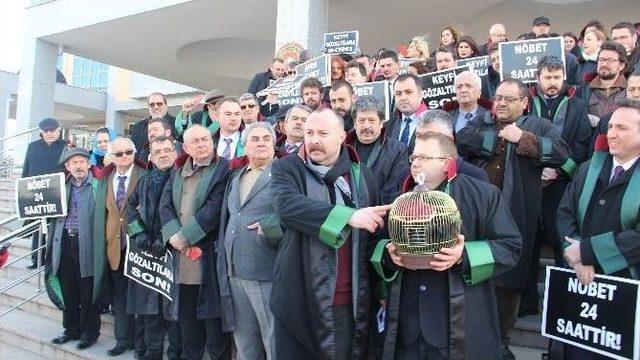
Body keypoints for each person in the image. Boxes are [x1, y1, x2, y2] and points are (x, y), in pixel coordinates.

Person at [372, 133, 521, 360]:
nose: (415, 163)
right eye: (413, 157)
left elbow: (510, 247)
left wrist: (465, 255)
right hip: (406, 326)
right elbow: (376, 244)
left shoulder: (484, 195)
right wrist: (388, 254)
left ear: (447, 163)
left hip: (457, 324)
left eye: (424, 157)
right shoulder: (399, 198)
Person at [457, 79, 569, 360]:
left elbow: (561, 153)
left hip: (516, 214)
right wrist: (499, 138)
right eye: (498, 98)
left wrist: (525, 139)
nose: (502, 103)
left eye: (509, 99)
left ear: (524, 103)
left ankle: (501, 343)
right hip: (477, 217)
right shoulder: (482, 123)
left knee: (509, 280)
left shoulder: (539, 126)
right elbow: (462, 139)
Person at [270, 107, 389, 359]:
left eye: (323, 133)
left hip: (348, 302)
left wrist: (383, 287)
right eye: (309, 132)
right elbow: (287, 207)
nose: (314, 139)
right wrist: (348, 216)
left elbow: (375, 237)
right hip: (299, 300)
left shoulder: (361, 175)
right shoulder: (287, 168)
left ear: (342, 136)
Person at [554, 99, 640, 359]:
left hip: (628, 287)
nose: (611, 133)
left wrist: (587, 252)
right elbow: (565, 214)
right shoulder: (587, 170)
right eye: (610, 126)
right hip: (581, 286)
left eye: (622, 128)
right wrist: (576, 256)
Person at [522, 56, 593, 317]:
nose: (553, 83)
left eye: (557, 77)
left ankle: (563, 303)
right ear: (538, 77)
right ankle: (527, 301)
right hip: (529, 184)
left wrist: (558, 169)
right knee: (527, 244)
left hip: (562, 188)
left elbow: (583, 146)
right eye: (547, 77)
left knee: (564, 244)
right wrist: (538, 168)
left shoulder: (577, 106)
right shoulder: (526, 104)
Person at [159, 124, 232, 360]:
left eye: (205, 139)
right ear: (186, 147)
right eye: (195, 141)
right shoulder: (178, 170)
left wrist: (184, 236)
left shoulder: (223, 168)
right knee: (189, 330)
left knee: (215, 333)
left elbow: (214, 208)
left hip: (209, 259)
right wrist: (173, 235)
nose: (201, 144)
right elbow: (165, 205)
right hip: (183, 263)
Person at [218, 122, 283, 360]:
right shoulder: (236, 176)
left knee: (273, 338)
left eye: (266, 138)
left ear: (275, 145)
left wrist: (270, 227)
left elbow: (296, 212)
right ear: (244, 146)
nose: (261, 142)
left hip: (265, 269)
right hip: (235, 270)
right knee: (244, 339)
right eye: (255, 139)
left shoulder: (283, 172)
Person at [126, 136, 180, 360]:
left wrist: (164, 237)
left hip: (174, 252)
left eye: (167, 150)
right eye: (158, 152)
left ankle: (175, 354)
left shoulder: (182, 177)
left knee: (173, 310)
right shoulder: (145, 179)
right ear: (151, 156)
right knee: (150, 309)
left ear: (176, 152)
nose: (163, 154)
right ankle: (153, 353)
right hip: (147, 252)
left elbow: (186, 212)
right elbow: (129, 206)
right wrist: (137, 232)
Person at [92, 137, 146, 357]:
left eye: (129, 152)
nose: (125, 156)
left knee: (141, 297)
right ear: (111, 157)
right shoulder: (106, 179)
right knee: (120, 297)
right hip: (114, 246)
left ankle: (141, 344)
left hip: (139, 246)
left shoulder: (145, 175)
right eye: (119, 153)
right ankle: (123, 339)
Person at [48, 148, 101, 350]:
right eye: (74, 163)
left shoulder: (98, 186)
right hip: (63, 244)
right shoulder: (59, 187)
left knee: (88, 290)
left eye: (82, 162)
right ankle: (71, 329)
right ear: (68, 167)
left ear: (89, 164)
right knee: (68, 289)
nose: (78, 166)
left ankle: (90, 333)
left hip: (87, 244)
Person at [345, 95, 409, 204]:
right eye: (361, 120)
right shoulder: (342, 150)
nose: (366, 126)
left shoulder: (398, 150)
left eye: (371, 120)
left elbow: (393, 191)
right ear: (355, 123)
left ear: (381, 123)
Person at [22, 117, 67, 269]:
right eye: (46, 131)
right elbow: (26, 171)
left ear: (58, 130)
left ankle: (53, 260)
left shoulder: (66, 146)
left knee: (56, 229)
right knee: (38, 229)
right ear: (41, 132)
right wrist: (24, 193)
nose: (50, 133)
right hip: (37, 195)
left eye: (53, 130)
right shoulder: (32, 147)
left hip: (58, 194)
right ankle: (37, 260)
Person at [577, 41, 628, 124]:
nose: (604, 64)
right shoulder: (582, 90)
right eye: (601, 60)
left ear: (621, 65)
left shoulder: (631, 90)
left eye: (610, 60)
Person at [387, 74, 429, 153]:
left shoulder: (435, 121)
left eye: (408, 92)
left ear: (420, 95)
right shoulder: (389, 124)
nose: (403, 97)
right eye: (399, 93)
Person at [442, 70, 492, 135]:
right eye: (459, 87)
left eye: (468, 86)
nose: (463, 90)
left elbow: (489, 143)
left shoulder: (490, 116)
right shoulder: (447, 118)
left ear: (479, 92)